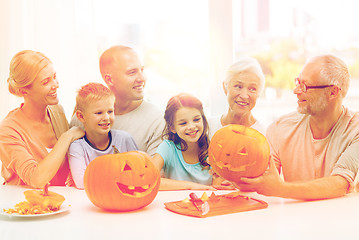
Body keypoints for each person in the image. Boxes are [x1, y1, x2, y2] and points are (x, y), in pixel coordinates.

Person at [237, 54, 359, 200]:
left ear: (333, 92)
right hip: (293, 221)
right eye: (298, 82)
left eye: (305, 86)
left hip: (342, 221)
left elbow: (340, 183)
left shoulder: (355, 129)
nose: (296, 91)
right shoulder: (279, 128)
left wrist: (280, 189)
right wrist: (236, 176)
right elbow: (263, 178)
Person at [0, 50, 84, 189]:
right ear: (24, 91)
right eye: (46, 82)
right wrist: (66, 137)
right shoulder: (8, 131)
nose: (55, 84)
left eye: (54, 76)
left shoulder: (56, 110)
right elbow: (36, 179)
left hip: (60, 203)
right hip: (25, 205)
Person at [70, 45, 164, 157]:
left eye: (142, 70)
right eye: (132, 72)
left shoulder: (157, 120)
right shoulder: (82, 118)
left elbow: (152, 172)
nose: (142, 78)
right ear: (109, 80)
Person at [152, 93, 231, 190]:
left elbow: (216, 188)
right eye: (183, 123)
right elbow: (150, 180)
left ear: (203, 119)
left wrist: (223, 181)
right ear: (172, 127)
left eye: (196, 119)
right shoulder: (167, 148)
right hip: (176, 203)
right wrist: (191, 186)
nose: (191, 127)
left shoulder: (214, 148)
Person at [68, 83, 138, 189]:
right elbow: (81, 182)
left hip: (123, 197)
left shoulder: (124, 139)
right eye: (99, 113)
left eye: (110, 111)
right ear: (81, 116)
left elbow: (138, 170)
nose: (106, 117)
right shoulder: (77, 147)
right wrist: (119, 178)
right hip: (87, 201)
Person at [208, 57, 266, 138]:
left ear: (258, 94)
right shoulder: (206, 129)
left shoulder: (265, 135)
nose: (244, 96)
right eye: (238, 86)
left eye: (252, 89)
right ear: (225, 88)